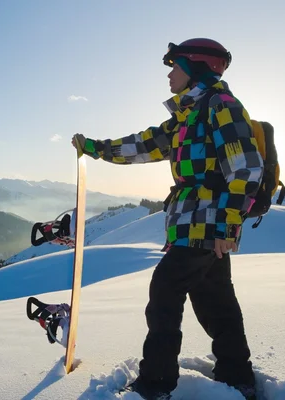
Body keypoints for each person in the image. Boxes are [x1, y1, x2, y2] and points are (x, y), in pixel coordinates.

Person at [71, 38, 263, 400]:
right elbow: (142, 145)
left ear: (196, 68)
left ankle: (156, 383)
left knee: (165, 289)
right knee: (215, 301)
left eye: (175, 66)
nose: (170, 74)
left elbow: (247, 168)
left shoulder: (221, 106)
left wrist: (228, 225)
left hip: (208, 221)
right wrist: (94, 148)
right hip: (192, 221)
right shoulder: (186, 117)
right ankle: (238, 375)